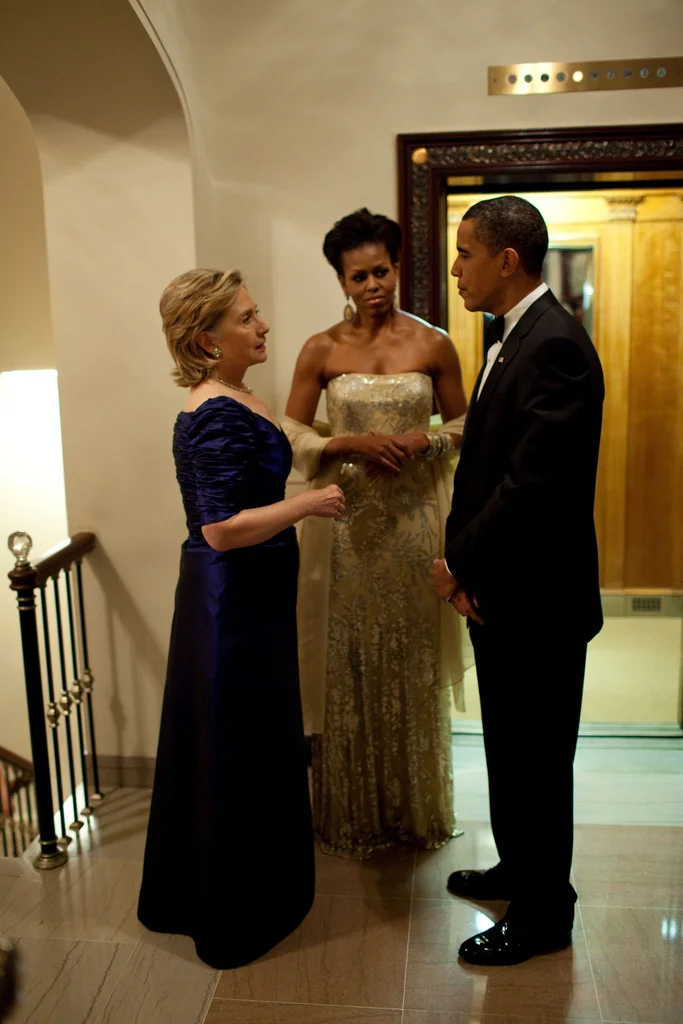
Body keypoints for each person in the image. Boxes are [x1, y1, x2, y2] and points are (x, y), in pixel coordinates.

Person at [137, 269, 344, 969]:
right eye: (247, 319)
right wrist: (307, 505)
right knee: (234, 738)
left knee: (246, 735)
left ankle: (250, 890)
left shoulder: (231, 397)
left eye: (257, 314)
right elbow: (221, 528)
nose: (262, 327)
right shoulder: (216, 410)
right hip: (230, 598)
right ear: (205, 338)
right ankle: (232, 910)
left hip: (244, 595)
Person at [432, 196, 604, 966]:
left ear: (507, 260)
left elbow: (532, 485)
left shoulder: (554, 344)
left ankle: (544, 913)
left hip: (538, 599)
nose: (456, 268)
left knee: (536, 758)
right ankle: (516, 868)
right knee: (507, 743)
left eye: (465, 253)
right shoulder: (515, 334)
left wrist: (457, 560)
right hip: (506, 592)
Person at [283, 209, 468, 859]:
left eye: (381, 271)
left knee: (412, 664)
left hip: (417, 525)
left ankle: (415, 812)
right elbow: (291, 434)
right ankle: (353, 810)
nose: (372, 286)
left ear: (397, 267)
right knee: (352, 663)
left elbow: (470, 423)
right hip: (349, 529)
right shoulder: (321, 350)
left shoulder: (432, 342)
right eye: (358, 276)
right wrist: (345, 442)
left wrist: (427, 437)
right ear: (340, 279)